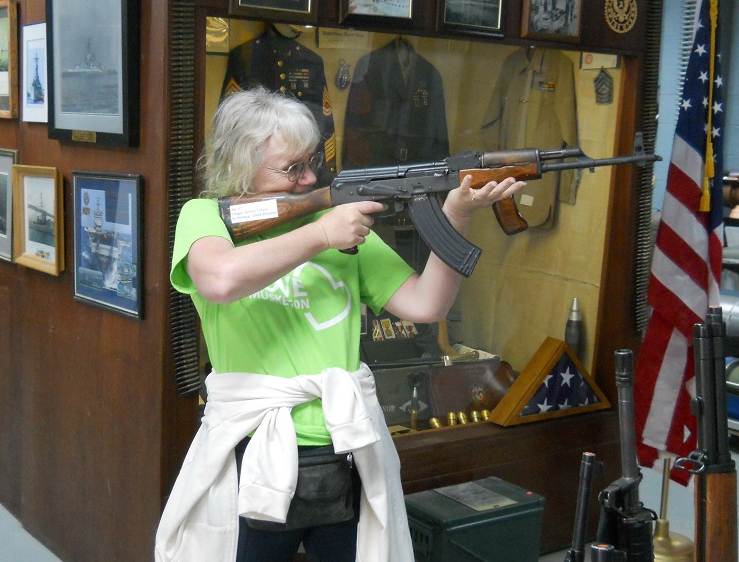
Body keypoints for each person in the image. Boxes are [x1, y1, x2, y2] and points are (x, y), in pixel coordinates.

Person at [155, 86, 523, 562]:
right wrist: (322, 234)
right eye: (292, 168)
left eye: (311, 162)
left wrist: (456, 213)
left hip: (344, 446)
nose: (310, 177)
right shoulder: (207, 217)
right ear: (240, 165)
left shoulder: (341, 227)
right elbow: (220, 279)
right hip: (249, 446)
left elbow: (426, 303)